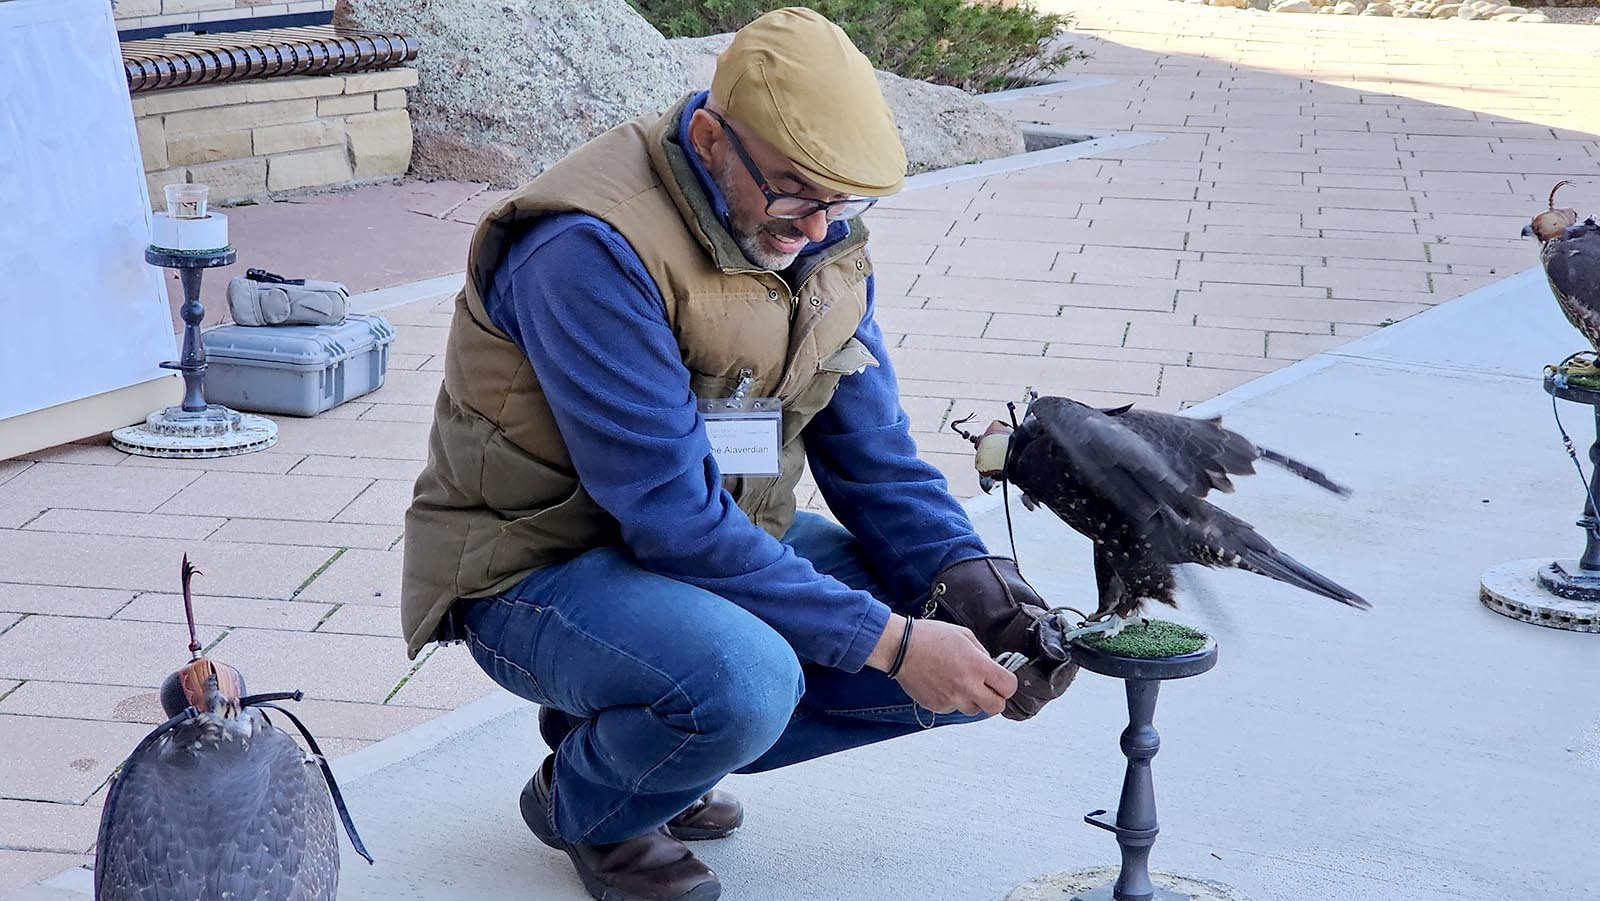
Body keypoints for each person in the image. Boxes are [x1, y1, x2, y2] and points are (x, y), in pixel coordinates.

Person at [399, 8, 1078, 900]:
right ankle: (593, 802)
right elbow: (673, 517)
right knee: (749, 679)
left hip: (704, 548)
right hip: (535, 566)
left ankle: (636, 737)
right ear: (712, 137)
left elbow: (873, 457)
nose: (813, 226)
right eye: (794, 191)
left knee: (956, 629)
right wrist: (895, 641)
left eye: (840, 200)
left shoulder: (822, 240)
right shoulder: (589, 249)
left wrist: (971, 578)